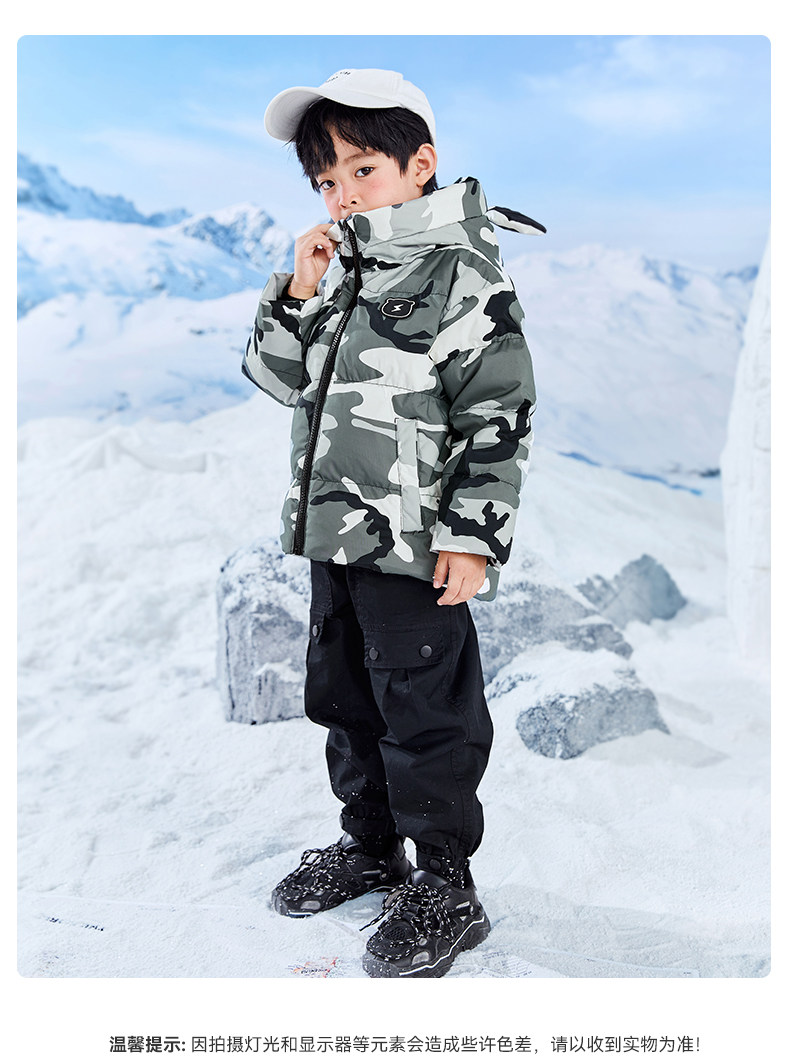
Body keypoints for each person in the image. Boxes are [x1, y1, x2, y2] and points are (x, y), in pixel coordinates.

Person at [243, 68, 543, 978]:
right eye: (326, 181)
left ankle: (447, 884)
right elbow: (280, 380)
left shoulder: (461, 274)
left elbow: (498, 412)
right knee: (345, 699)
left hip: (414, 546)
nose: (342, 194)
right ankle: (371, 847)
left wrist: (472, 535)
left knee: (424, 711)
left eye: (362, 170)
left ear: (421, 164)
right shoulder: (344, 269)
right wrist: (298, 291)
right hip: (336, 535)